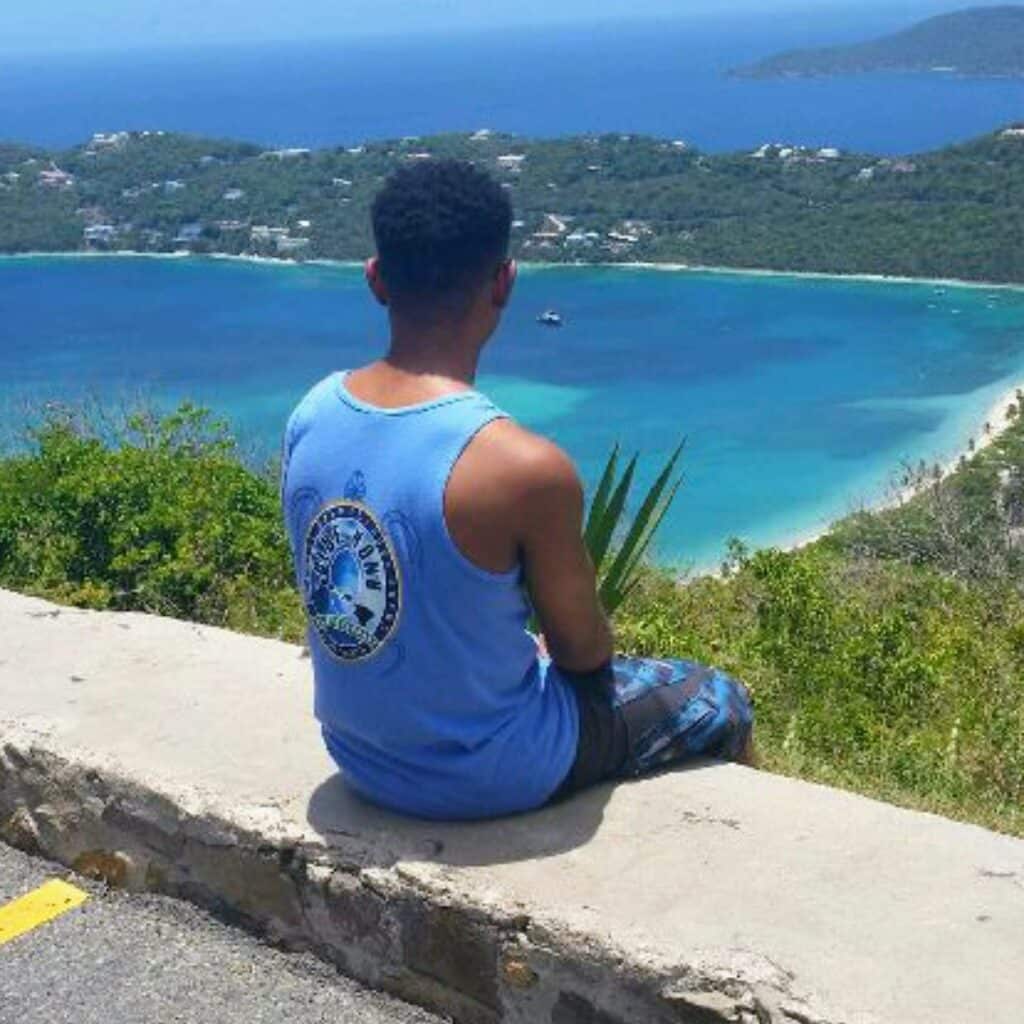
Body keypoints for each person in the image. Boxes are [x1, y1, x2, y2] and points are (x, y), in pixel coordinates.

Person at [281, 159, 753, 821]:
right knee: (721, 697)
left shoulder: (311, 414)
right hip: (496, 774)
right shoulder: (523, 468)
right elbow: (583, 651)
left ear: (376, 280)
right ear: (503, 284)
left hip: (358, 755)